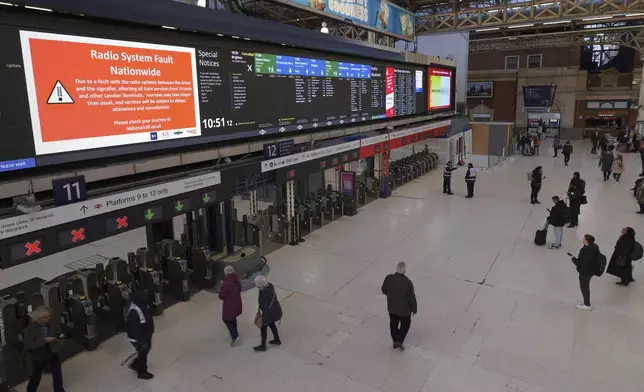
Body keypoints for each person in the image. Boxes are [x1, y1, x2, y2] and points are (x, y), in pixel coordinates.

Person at [24, 306, 66, 392]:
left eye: (49, 316)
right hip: (38, 356)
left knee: (57, 374)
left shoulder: (50, 323)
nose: (48, 318)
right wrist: (44, 341)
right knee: (36, 376)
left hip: (52, 353)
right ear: (39, 318)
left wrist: (59, 337)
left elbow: (57, 332)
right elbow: (28, 344)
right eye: (45, 317)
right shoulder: (31, 328)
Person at [381, 262, 417, 351]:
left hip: (392, 308)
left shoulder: (388, 278)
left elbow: (384, 289)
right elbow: (411, 298)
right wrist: (414, 309)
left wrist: (391, 296)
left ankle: (394, 340)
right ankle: (399, 340)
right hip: (404, 311)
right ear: (405, 270)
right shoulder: (408, 283)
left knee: (393, 324)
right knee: (405, 325)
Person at [126, 289, 155, 380]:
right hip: (138, 337)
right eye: (144, 296)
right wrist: (142, 342)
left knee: (145, 350)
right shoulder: (134, 311)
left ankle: (135, 364)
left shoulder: (143, 303)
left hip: (145, 334)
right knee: (143, 353)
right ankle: (142, 372)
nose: (146, 297)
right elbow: (135, 329)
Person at [570, 234, 600, 311]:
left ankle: (587, 304)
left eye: (584, 238)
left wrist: (573, 259)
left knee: (584, 287)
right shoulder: (594, 247)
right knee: (585, 286)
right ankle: (585, 302)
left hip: (585, 272)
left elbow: (581, 263)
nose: (583, 239)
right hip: (591, 270)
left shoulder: (586, 251)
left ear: (587, 241)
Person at [253, 276, 282, 352]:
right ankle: (277, 340)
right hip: (274, 310)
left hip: (268, 313)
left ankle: (263, 346)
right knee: (272, 324)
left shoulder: (264, 294)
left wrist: (264, 319)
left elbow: (264, 307)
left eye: (257, 284)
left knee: (263, 329)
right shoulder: (270, 286)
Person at [219, 265, 243, 345]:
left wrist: (221, 287)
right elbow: (239, 288)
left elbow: (221, 296)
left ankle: (235, 337)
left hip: (229, 306)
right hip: (237, 303)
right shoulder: (236, 279)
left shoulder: (225, 284)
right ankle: (235, 331)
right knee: (233, 318)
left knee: (227, 319)